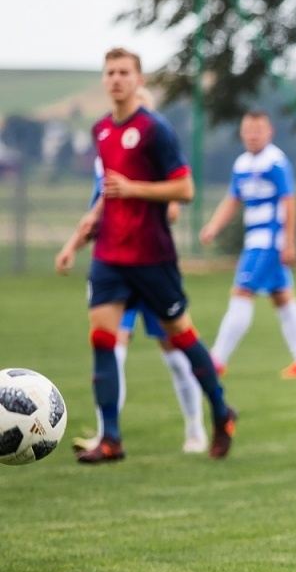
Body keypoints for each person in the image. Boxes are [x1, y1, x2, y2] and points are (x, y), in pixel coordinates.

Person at [53, 48, 236, 462]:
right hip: (109, 256)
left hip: (152, 256)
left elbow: (185, 190)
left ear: (139, 80)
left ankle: (221, 412)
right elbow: (107, 194)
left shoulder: (155, 130)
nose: (116, 79)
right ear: (104, 80)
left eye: (124, 72)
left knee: (181, 338)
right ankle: (111, 439)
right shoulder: (101, 131)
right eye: (110, 72)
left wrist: (136, 189)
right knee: (102, 338)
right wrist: (77, 239)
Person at [198, 111, 296, 379]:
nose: (253, 135)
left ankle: (216, 360)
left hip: (269, 241)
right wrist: (214, 226)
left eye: (258, 130)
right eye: (248, 130)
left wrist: (289, 242)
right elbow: (233, 199)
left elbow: (290, 200)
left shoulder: (274, 162)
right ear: (242, 133)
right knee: (282, 298)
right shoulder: (241, 164)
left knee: (241, 292)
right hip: (255, 238)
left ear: (270, 132)